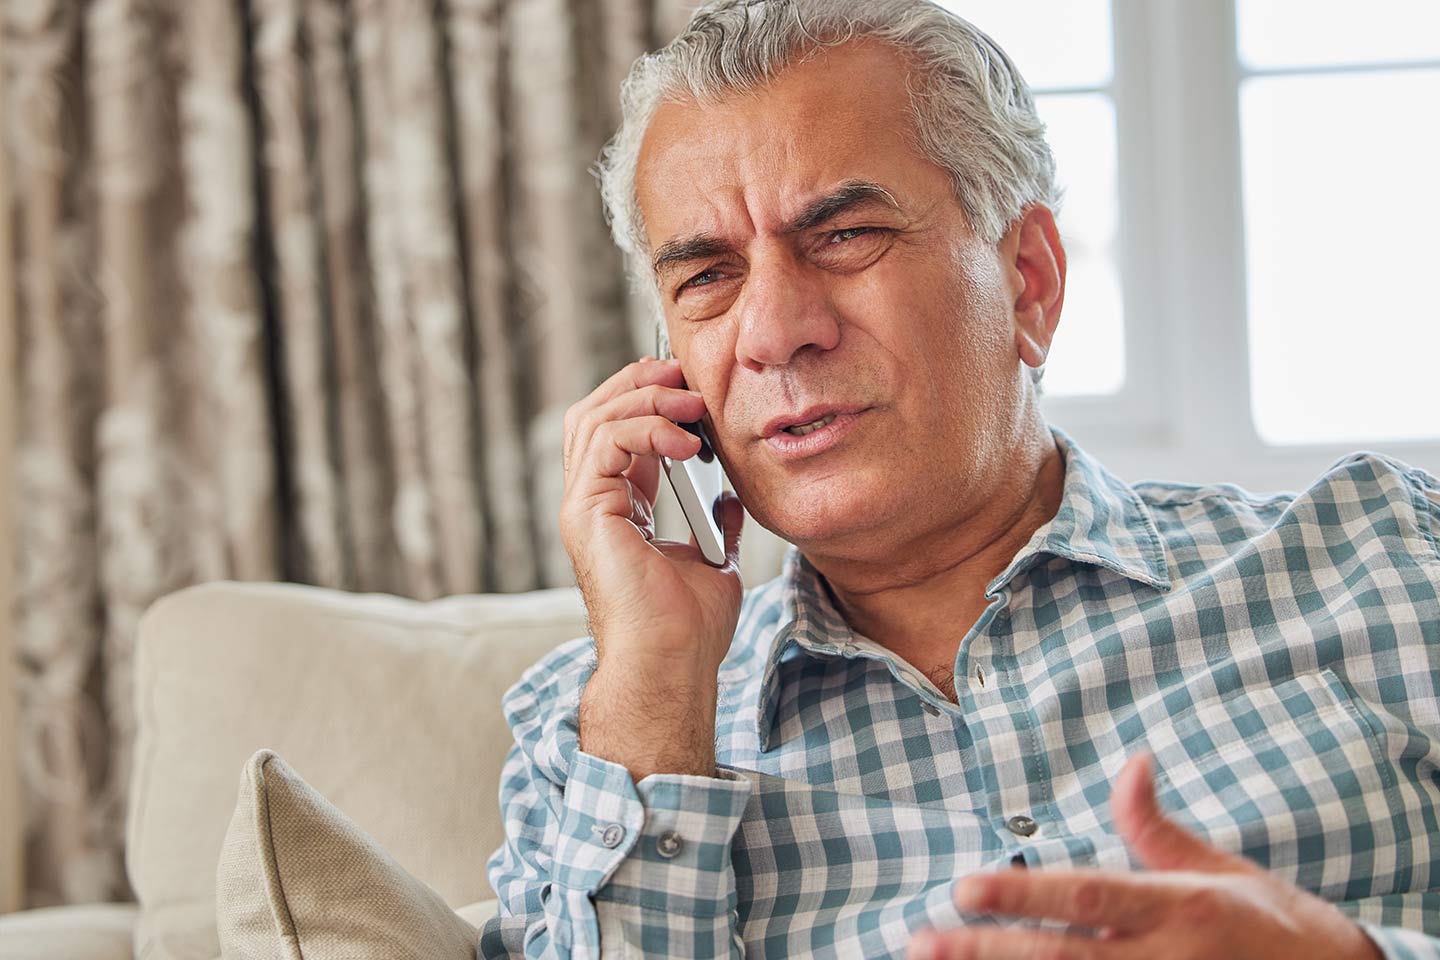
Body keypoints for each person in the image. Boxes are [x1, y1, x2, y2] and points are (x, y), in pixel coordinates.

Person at [479, 1, 1440, 956]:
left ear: (1029, 280)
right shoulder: (593, 743)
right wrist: (656, 691)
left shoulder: (1389, 559)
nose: (774, 332)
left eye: (846, 235)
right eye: (707, 278)